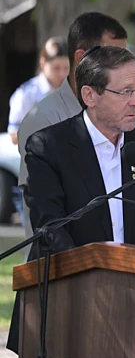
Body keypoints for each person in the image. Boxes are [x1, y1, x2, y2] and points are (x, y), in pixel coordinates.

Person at [8, 46, 135, 358]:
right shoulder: (49, 146)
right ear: (89, 95)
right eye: (124, 92)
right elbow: (50, 225)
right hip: (69, 306)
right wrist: (100, 282)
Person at [15, 12, 134, 243]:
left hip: (127, 263)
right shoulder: (43, 122)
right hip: (64, 265)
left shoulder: (129, 112)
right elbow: (44, 212)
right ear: (81, 57)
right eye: (113, 58)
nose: (123, 68)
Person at [7, 37, 71, 226]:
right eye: (56, 68)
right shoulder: (27, 94)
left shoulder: (73, 93)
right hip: (33, 174)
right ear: (43, 63)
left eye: (66, 68)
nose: (62, 74)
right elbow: (13, 134)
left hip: (66, 174)